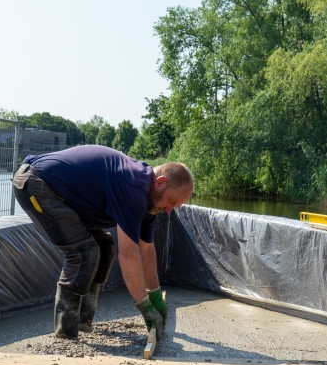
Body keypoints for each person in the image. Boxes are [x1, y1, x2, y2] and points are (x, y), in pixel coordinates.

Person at [12, 144, 194, 340]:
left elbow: (146, 250)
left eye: (175, 206)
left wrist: (155, 296)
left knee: (104, 247)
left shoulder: (150, 201)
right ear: (161, 182)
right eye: (171, 202)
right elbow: (128, 255)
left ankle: (83, 323)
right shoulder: (133, 186)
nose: (169, 210)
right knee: (83, 253)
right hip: (36, 185)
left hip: (63, 194)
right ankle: (65, 332)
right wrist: (144, 306)